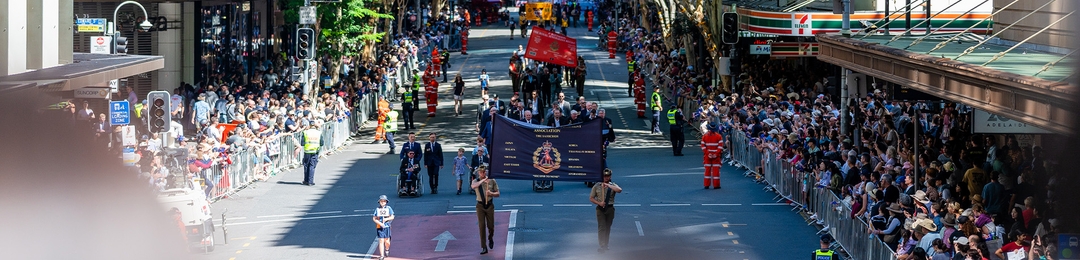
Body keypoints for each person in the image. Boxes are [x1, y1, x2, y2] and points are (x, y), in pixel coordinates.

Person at [589, 168, 622, 253]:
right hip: (600, 209)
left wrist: (609, 185)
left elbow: (619, 190)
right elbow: (591, 198)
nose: (606, 178)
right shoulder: (597, 186)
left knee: (607, 227)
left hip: (610, 208)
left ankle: (606, 244)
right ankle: (602, 245)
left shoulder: (613, 185)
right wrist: (599, 203)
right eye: (605, 176)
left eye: (608, 176)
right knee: (602, 227)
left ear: (610, 176)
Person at [471, 165, 500, 254]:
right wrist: (483, 180)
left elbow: (498, 193)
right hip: (480, 206)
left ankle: (490, 237)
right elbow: (473, 186)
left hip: (489, 206)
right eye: (481, 172)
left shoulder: (492, 181)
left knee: (491, 226)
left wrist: (491, 193)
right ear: (479, 173)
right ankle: (484, 247)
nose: (483, 173)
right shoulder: (476, 181)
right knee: (481, 226)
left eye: (484, 172)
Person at [700, 123, 724, 189]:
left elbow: (703, 146)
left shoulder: (705, 136)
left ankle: (706, 185)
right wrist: (716, 154)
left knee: (707, 170)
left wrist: (708, 153)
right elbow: (720, 146)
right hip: (716, 157)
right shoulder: (719, 136)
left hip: (708, 156)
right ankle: (716, 185)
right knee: (716, 171)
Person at [300, 122, 323, 186]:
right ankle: (310, 181)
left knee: (306, 166)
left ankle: (306, 180)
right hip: (315, 151)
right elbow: (322, 143)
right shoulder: (319, 133)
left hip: (307, 151)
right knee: (312, 166)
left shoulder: (305, 132)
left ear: (309, 125)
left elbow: (302, 143)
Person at [373, 195, 395, 260]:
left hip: (387, 226)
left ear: (386, 202)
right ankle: (382, 255)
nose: (382, 202)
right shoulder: (377, 209)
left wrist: (386, 219)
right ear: (379, 202)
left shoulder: (388, 208)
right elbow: (374, 218)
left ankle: (387, 249)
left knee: (387, 241)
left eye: (384, 201)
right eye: (381, 201)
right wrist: (379, 223)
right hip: (380, 227)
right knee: (381, 240)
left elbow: (392, 216)